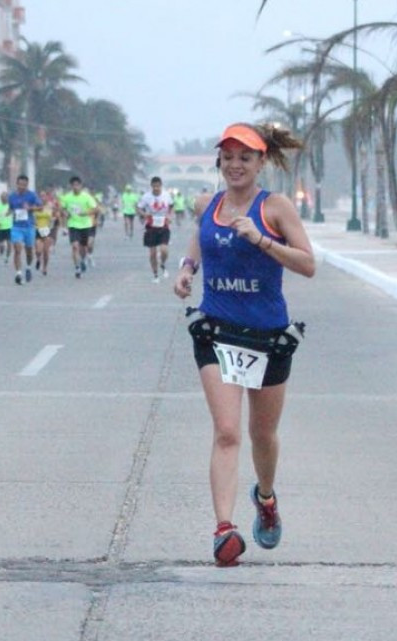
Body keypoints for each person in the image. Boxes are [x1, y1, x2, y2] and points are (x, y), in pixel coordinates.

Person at [172, 122, 314, 566]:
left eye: (245, 158)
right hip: (218, 332)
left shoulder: (276, 208)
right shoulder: (207, 204)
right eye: (228, 157)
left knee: (262, 435)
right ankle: (223, 530)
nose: (235, 165)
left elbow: (308, 264)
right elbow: (202, 236)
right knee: (228, 432)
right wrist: (187, 267)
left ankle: (266, 498)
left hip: (269, 335)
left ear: (261, 162)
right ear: (219, 162)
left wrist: (263, 241)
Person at [59, 176, 99, 279]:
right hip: (73, 225)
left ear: (81, 186)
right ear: (71, 186)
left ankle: (84, 259)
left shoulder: (86, 197)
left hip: (86, 225)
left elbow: (95, 209)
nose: (76, 187)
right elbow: (62, 209)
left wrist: (85, 213)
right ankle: (77, 268)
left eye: (77, 185)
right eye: (73, 185)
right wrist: (65, 214)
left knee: (85, 247)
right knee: (75, 246)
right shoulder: (67, 197)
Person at [7, 174, 42, 285]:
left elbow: (40, 207)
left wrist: (30, 208)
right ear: (17, 184)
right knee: (17, 248)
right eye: (20, 184)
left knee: (29, 250)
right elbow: (11, 208)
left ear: (27, 185)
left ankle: (28, 267)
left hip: (29, 227)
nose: (22, 187)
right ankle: (18, 273)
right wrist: (8, 212)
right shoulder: (12, 196)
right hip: (16, 227)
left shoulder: (32, 196)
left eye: (24, 185)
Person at [138, 176, 174, 283]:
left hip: (164, 226)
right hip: (151, 227)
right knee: (152, 253)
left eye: (158, 186)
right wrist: (144, 214)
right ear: (151, 186)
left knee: (164, 250)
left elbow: (171, 206)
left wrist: (169, 216)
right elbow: (139, 207)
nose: (156, 189)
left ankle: (162, 263)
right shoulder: (146, 197)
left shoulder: (166, 195)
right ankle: (155, 274)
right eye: (154, 187)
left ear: (161, 186)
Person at [33, 189, 58, 276]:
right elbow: (32, 216)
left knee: (46, 251)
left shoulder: (50, 206)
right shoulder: (35, 207)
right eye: (41, 196)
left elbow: (55, 216)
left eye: (44, 196)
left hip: (47, 229)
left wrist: (54, 219)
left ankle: (45, 268)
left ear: (46, 197)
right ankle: (38, 259)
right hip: (37, 229)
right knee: (38, 250)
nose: (42, 198)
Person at [0, 191, 12, 263]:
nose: (5, 198)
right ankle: (1, 250)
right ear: (1, 198)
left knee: (10, 244)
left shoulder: (11, 205)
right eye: (3, 197)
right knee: (1, 246)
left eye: (6, 197)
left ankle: (7, 257)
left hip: (9, 227)